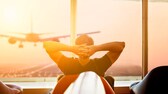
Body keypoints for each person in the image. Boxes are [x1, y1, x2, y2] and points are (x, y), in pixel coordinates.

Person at [43, 34, 125, 93]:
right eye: (80, 47)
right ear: (76, 47)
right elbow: (47, 46)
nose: (84, 50)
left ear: (92, 48)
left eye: (88, 47)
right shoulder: (67, 63)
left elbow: (120, 46)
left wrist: (96, 48)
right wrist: (71, 49)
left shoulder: (100, 64)